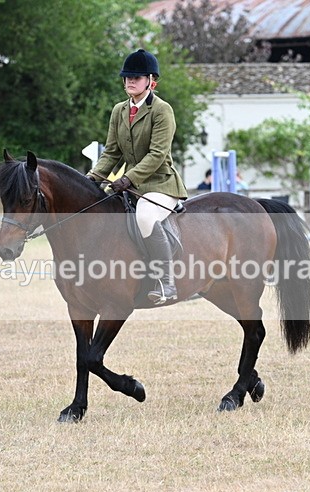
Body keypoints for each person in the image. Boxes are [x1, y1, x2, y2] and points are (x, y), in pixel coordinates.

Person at [86, 49, 187, 304]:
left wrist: (128, 178)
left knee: (144, 216)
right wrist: (92, 179)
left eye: (137, 77)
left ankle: (166, 282)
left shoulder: (162, 110)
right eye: (127, 77)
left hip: (161, 184)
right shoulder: (119, 110)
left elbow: (156, 154)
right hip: (130, 184)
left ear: (151, 81)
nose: (130, 81)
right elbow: (111, 153)